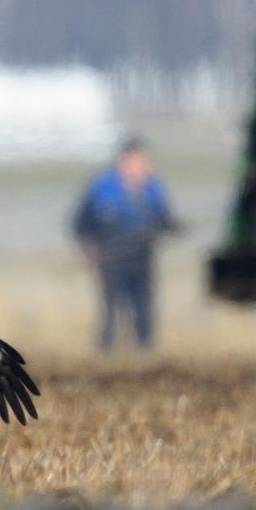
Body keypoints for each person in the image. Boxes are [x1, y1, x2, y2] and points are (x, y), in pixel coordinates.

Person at [73, 138, 177, 351]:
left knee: (143, 307)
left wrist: (173, 227)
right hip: (111, 257)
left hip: (142, 257)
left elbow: (164, 220)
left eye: (144, 161)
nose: (141, 166)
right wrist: (86, 247)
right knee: (111, 307)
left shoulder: (152, 188)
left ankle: (145, 352)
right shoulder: (102, 187)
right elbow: (81, 222)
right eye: (136, 161)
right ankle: (106, 352)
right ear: (123, 160)